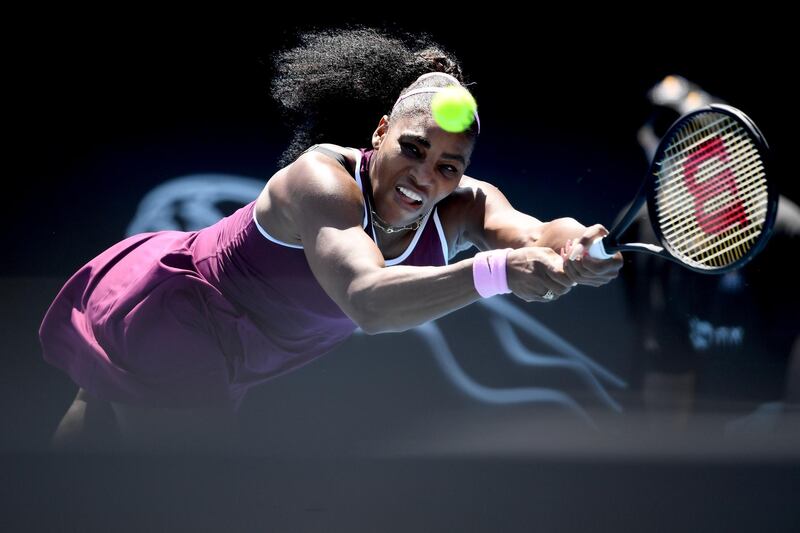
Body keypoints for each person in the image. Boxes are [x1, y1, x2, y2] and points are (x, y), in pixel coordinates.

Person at [39, 27, 622, 451]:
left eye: (449, 165)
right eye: (413, 149)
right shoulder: (321, 180)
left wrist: (573, 245)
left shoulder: (467, 204)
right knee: (189, 500)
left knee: (75, 473)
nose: (425, 175)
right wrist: (495, 273)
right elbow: (366, 299)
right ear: (380, 131)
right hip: (181, 314)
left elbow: (538, 230)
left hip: (241, 352)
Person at [621, 75, 800, 434]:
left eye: (702, 134)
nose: (691, 153)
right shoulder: (644, 234)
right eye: (663, 130)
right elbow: (667, 376)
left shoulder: (788, 234)